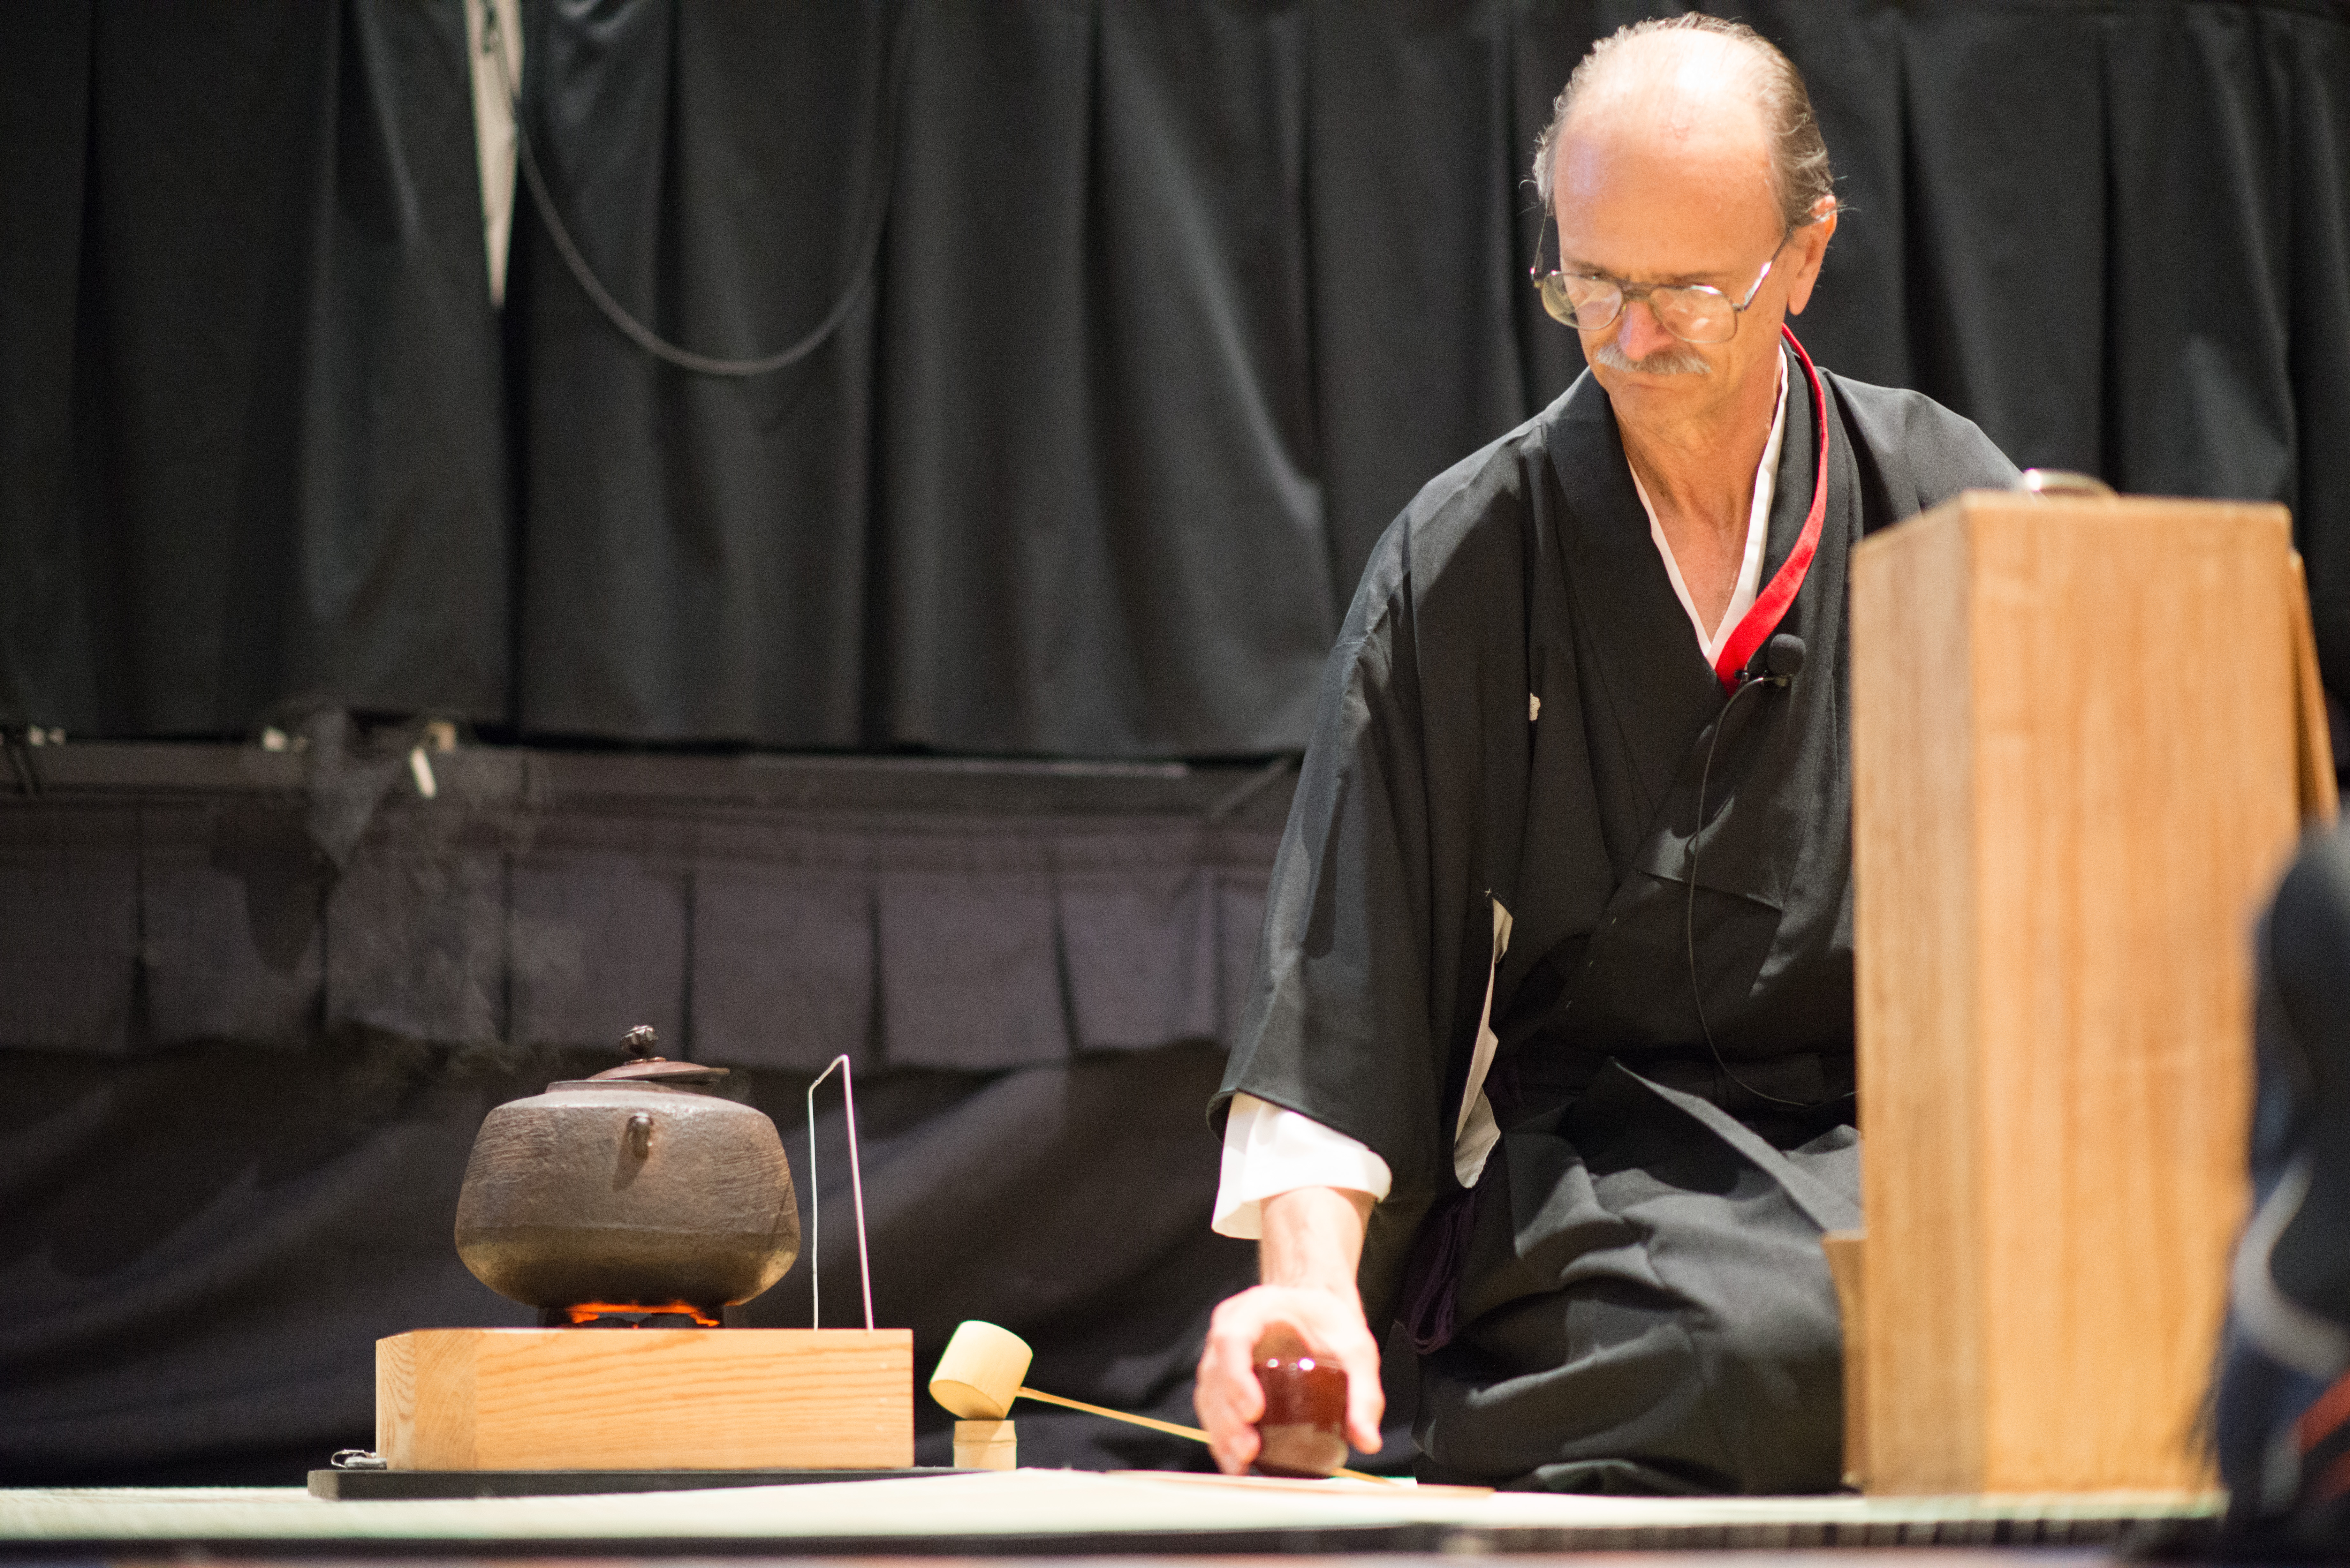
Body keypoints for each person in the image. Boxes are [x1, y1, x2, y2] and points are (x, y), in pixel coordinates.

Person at [1193, 15, 2019, 1493]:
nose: (1631, 339)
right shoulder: (1465, 559)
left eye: (1687, 291)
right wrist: (1305, 1285)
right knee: (1775, 1348)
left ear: (1805, 257)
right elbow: (1342, 982)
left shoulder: (1946, 502)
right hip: (1599, 1158)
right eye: (1591, 283)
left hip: (1899, 1139)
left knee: (2033, 1310)